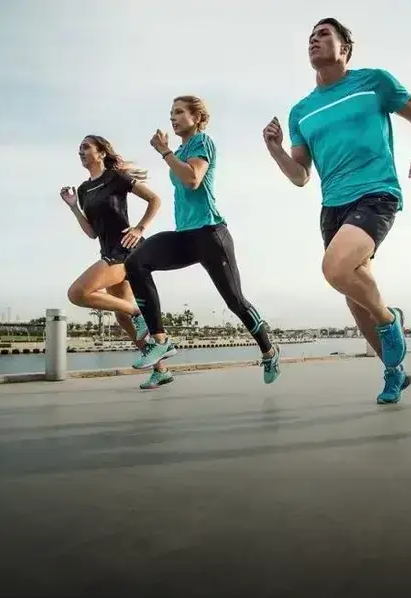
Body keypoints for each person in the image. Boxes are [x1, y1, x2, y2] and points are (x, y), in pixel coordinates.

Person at [262, 17, 411, 404]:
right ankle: (393, 372)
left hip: (376, 193)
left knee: (335, 268)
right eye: (310, 36)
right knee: (354, 296)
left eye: (324, 34)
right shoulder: (301, 111)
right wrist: (275, 149)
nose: (314, 40)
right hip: (333, 207)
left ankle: (390, 320)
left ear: (346, 48)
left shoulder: (374, 82)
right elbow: (300, 175)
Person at [124, 96, 282, 384]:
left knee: (236, 302)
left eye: (180, 112)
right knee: (136, 262)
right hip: (185, 236)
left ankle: (269, 350)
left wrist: (164, 152)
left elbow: (193, 179)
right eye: (170, 113)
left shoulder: (202, 142)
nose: (173, 118)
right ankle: (160, 339)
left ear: (196, 117)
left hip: (211, 235)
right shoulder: (183, 149)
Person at [60, 134, 174, 390]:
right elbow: (92, 233)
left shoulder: (117, 177)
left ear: (100, 153)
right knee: (120, 316)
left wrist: (140, 228)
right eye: (79, 147)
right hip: (107, 250)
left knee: (77, 293)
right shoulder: (83, 189)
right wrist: (73, 207)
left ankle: (140, 314)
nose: (80, 151)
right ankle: (161, 370)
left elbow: (155, 199)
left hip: (126, 250)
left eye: (86, 147)